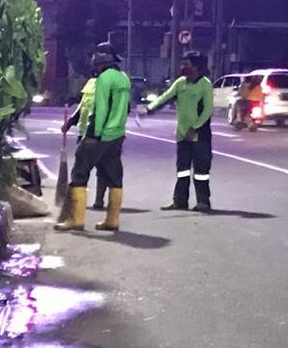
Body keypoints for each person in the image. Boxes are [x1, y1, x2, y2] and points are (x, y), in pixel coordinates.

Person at [55, 44, 131, 232]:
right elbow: (126, 108)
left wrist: (94, 135)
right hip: (117, 135)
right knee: (114, 177)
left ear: (101, 59)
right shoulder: (123, 78)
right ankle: (112, 220)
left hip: (99, 134)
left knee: (79, 174)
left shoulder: (104, 79)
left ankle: (75, 220)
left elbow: (101, 108)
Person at [147, 51, 216, 212]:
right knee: (182, 171)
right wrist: (150, 108)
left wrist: (195, 128)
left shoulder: (205, 84)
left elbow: (207, 111)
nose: (182, 67)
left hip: (200, 136)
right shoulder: (181, 83)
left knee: (201, 172)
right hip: (182, 135)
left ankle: (203, 202)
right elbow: (165, 96)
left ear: (197, 67)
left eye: (186, 64)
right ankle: (179, 201)